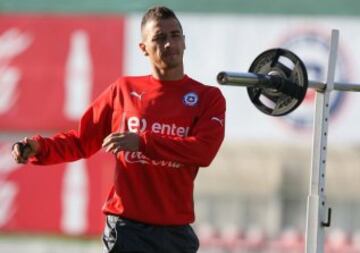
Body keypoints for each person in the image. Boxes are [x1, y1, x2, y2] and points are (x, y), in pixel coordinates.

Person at [11, 6, 226, 253]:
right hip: (127, 229)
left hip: (176, 232)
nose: (169, 44)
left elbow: (203, 151)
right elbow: (81, 141)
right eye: (159, 38)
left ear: (185, 42)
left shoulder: (208, 98)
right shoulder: (123, 90)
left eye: (175, 35)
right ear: (143, 48)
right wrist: (40, 147)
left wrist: (143, 142)